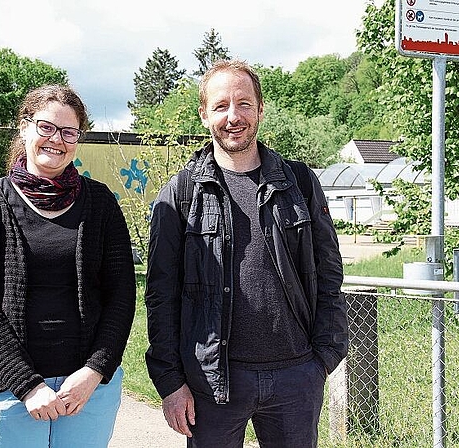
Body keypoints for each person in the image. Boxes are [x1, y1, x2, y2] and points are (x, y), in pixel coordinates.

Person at [144, 59, 349, 448]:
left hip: (296, 377)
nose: (233, 116)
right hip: (212, 383)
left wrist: (322, 359)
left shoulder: (299, 182)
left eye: (244, 103)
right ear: (204, 114)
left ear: (260, 109)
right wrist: (171, 382)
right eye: (221, 106)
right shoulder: (181, 194)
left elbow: (329, 275)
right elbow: (160, 295)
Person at [0, 84, 136, 448]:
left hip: (86, 392)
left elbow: (121, 295)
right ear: (24, 127)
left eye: (69, 132)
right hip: (6, 390)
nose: (57, 139)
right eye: (46, 127)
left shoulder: (100, 203)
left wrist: (95, 370)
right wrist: (26, 384)